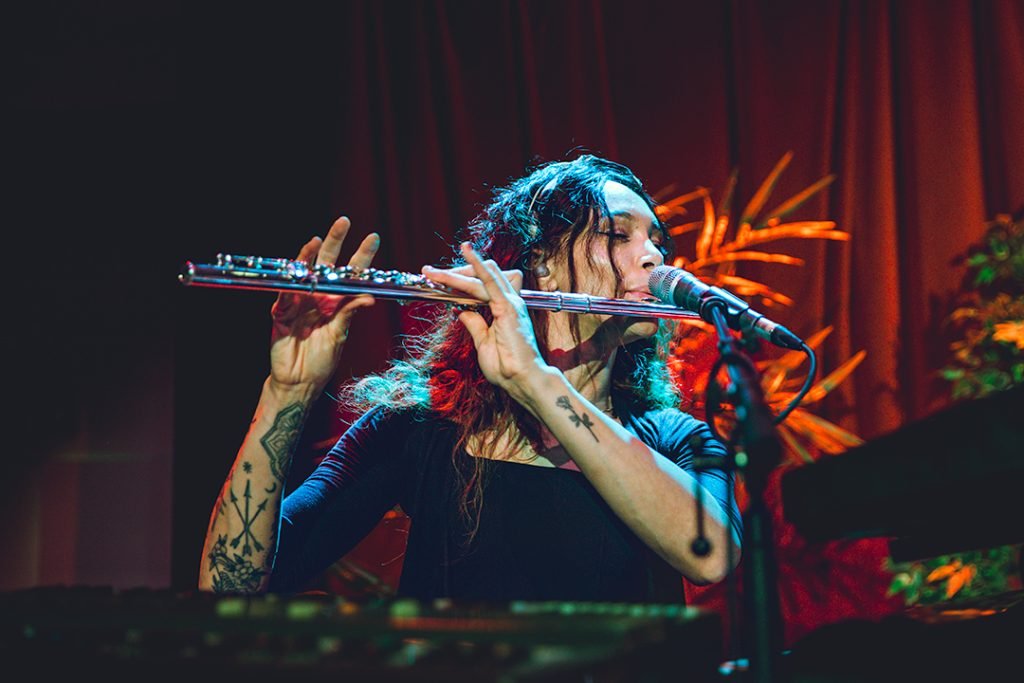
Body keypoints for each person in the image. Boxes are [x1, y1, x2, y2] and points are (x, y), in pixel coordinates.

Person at [198, 154, 742, 602]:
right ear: (543, 265)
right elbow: (230, 587)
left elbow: (711, 556)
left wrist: (533, 380)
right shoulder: (420, 428)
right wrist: (287, 393)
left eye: (656, 241)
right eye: (618, 234)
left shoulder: (675, 441)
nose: (654, 258)